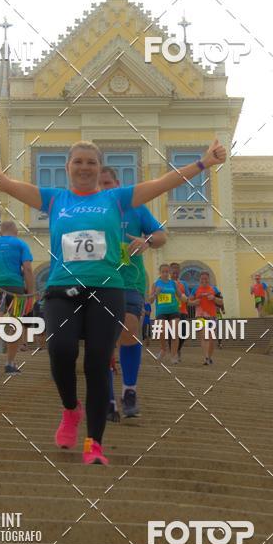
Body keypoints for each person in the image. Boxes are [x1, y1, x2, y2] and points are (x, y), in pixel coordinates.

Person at [0, 134, 226, 465]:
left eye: (90, 162)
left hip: (107, 290)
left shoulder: (117, 199)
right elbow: (4, 183)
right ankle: (70, 409)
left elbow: (163, 183)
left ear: (98, 168)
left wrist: (204, 162)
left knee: (97, 364)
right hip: (62, 289)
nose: (84, 167)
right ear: (67, 167)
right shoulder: (54, 199)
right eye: (77, 161)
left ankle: (94, 443)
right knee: (60, 352)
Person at [99, 165, 166, 418]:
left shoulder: (135, 208)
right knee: (102, 340)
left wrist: (146, 241)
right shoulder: (89, 212)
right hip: (97, 280)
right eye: (99, 184)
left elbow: (161, 235)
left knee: (128, 329)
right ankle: (107, 399)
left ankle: (129, 391)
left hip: (130, 281)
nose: (103, 188)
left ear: (118, 184)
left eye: (107, 183)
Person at [0, 221, 35, 375]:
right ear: (16, 231)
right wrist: (31, 293)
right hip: (15, 288)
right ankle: (10, 364)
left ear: (0, 232)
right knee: (15, 324)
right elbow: (27, 268)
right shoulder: (20, 244)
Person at [149, 263, 187, 365]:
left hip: (174, 310)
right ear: (160, 273)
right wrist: (156, 293)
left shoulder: (173, 284)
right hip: (161, 312)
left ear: (169, 272)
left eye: (167, 272)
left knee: (175, 332)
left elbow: (180, 295)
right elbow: (150, 300)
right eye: (163, 272)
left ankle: (173, 355)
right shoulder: (156, 284)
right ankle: (163, 349)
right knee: (162, 330)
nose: (165, 274)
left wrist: (184, 298)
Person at [189, 271, 224, 365]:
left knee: (211, 339)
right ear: (199, 279)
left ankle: (209, 356)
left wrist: (214, 298)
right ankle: (206, 357)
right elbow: (189, 301)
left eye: (206, 278)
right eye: (202, 279)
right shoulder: (195, 289)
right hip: (199, 316)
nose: (204, 280)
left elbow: (221, 302)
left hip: (212, 316)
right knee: (204, 336)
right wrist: (194, 302)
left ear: (209, 279)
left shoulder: (214, 289)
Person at [169, 263, 190, 362]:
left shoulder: (183, 284)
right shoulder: (165, 283)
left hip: (182, 311)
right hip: (170, 311)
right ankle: (174, 353)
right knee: (172, 333)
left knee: (184, 333)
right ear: (170, 272)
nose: (175, 274)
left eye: (177, 272)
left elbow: (188, 296)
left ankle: (178, 349)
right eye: (174, 272)